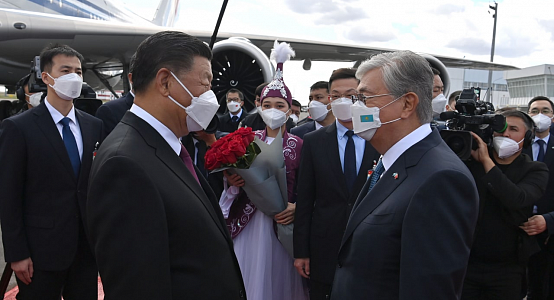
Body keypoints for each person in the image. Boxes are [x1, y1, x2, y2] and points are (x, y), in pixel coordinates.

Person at [86, 31, 246, 299]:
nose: (210, 96)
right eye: (205, 84)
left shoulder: (164, 146)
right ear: (165, 82)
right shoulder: (125, 166)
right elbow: (138, 287)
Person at [330, 50, 479, 299]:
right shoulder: (392, 160)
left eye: (365, 98)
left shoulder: (440, 180)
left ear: (407, 104)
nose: (356, 108)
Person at [0, 44, 103, 300]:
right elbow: (9, 195)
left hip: (86, 250)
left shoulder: (94, 126)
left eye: (78, 71)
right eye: (65, 70)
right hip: (39, 252)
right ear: (46, 77)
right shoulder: (18, 128)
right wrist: (17, 254)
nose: (74, 77)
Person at [222, 41, 308, 300]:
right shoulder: (246, 139)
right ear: (259, 106)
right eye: (268, 104)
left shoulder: (300, 145)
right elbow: (233, 183)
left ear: (290, 110)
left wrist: (297, 206)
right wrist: (233, 181)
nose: (273, 110)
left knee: (279, 282)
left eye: (280, 106)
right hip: (248, 222)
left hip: (282, 224)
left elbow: (308, 186)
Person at [293, 69, 380, 300]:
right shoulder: (314, 142)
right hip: (325, 247)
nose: (343, 101)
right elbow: (305, 200)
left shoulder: (379, 137)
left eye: (350, 95)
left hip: (370, 246)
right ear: (329, 99)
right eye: (336, 95)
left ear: (361, 96)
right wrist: (301, 252)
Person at [462, 110, 548, 300]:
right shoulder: (470, 162)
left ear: (526, 138)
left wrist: (486, 161)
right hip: (467, 263)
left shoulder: (535, 170)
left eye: (513, 129)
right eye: (500, 128)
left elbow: (517, 199)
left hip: (507, 269)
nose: (505, 134)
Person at [521, 96, 554, 300]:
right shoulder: (515, 145)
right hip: (519, 225)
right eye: (534, 111)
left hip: (549, 231)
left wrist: (549, 220)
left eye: (545, 110)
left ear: (553, 116)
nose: (539, 115)